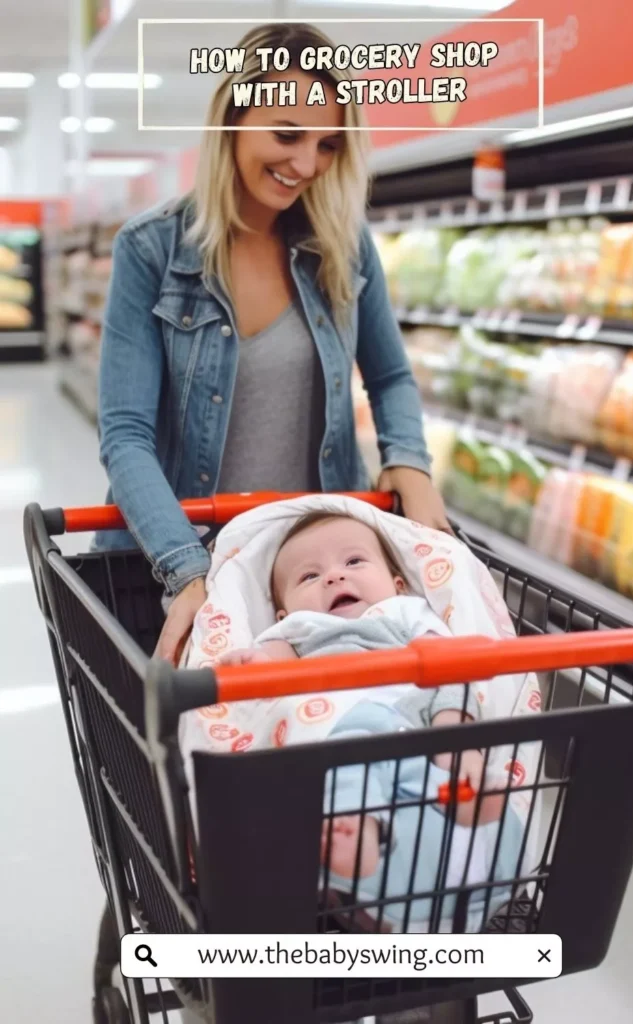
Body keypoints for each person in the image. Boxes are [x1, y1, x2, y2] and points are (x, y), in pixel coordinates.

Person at [94, 19, 452, 668]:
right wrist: (188, 570)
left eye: (327, 145)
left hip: (310, 578)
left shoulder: (339, 245)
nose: (306, 164)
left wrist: (409, 462)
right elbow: (125, 434)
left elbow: (391, 377)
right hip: (182, 564)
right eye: (287, 134)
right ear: (231, 117)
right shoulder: (151, 249)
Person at [216, 511, 506, 882]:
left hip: (411, 714)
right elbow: (274, 671)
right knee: (344, 758)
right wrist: (251, 662)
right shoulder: (298, 628)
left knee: (456, 678)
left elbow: (444, 656)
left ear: (397, 583)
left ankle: (460, 766)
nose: (335, 576)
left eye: (354, 561)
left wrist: (450, 705)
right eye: (310, 575)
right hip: (341, 720)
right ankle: (354, 831)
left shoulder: (404, 610)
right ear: (282, 613)